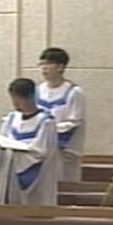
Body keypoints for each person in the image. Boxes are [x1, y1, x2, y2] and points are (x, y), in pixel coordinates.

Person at [0, 78, 58, 206]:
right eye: (13, 98)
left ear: (30, 97)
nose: (15, 103)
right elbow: (2, 140)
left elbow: (40, 152)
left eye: (18, 99)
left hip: (36, 177)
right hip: (10, 171)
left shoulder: (46, 122)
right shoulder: (11, 119)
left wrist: (17, 149)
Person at [35, 47, 85, 182]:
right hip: (41, 149)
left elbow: (75, 122)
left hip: (65, 150)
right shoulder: (37, 90)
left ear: (60, 67)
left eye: (48, 64)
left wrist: (50, 130)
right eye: (41, 64)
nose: (44, 68)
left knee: (65, 184)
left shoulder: (74, 92)